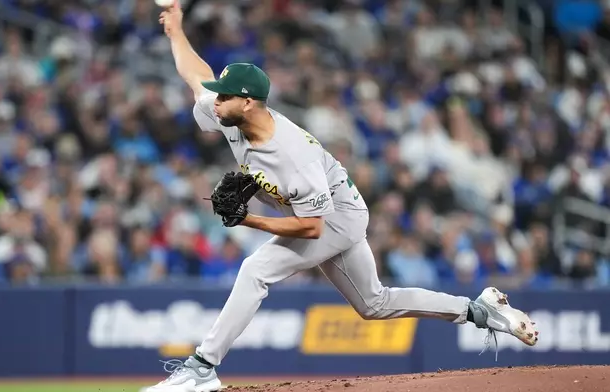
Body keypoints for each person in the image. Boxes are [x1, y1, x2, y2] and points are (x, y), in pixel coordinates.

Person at [147, 3, 539, 391]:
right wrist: (177, 30)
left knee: (256, 269)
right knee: (375, 304)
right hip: (324, 211)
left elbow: (313, 228)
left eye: (224, 97)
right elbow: (198, 78)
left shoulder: (291, 154)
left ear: (248, 102)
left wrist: (250, 220)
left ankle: (202, 367)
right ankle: (477, 310)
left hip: (336, 216)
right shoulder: (229, 113)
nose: (215, 103)